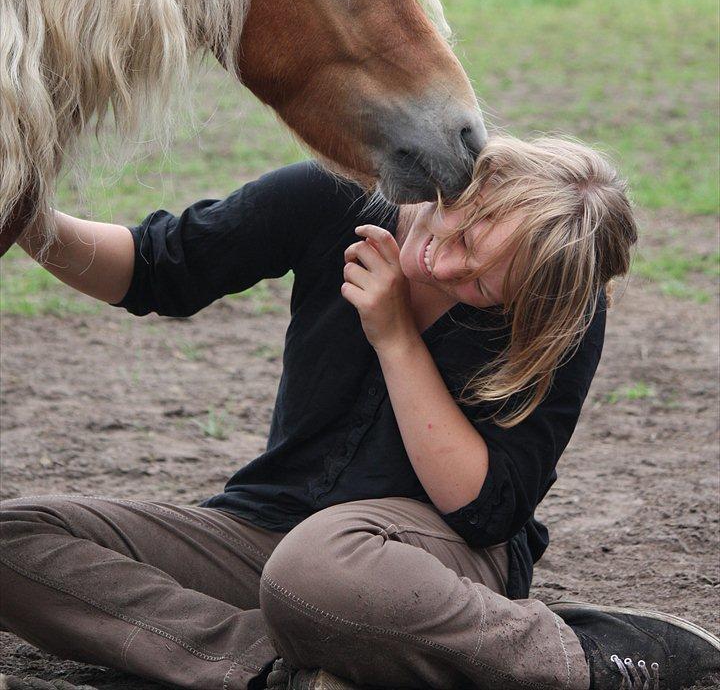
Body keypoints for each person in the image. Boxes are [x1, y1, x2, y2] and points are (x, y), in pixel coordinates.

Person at [1, 135, 718, 690]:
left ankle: (577, 657)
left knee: (317, 572)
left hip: (425, 559)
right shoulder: (330, 197)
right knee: (13, 538)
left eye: (480, 287)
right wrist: (25, 212)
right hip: (267, 531)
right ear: (476, 179)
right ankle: (280, 668)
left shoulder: (563, 306)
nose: (445, 268)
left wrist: (395, 336)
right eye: (465, 237)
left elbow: (484, 511)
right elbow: (156, 268)